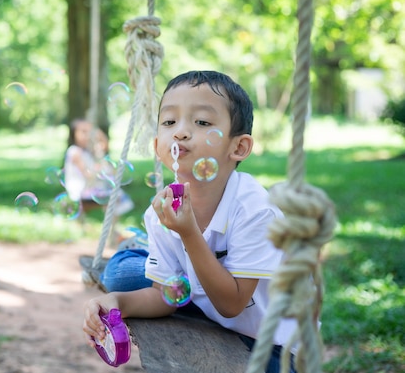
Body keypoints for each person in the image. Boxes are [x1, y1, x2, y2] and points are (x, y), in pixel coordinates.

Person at [82, 70, 297, 373]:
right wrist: (116, 302)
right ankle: (141, 255)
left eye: (202, 122)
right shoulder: (162, 211)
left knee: (125, 272)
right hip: (219, 321)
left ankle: (139, 252)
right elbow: (164, 296)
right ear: (158, 144)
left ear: (239, 147)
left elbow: (233, 304)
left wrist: (188, 233)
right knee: (119, 280)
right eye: (170, 122)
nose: (180, 132)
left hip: (273, 346)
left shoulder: (256, 211)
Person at [63, 118, 134, 217]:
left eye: (89, 132)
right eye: (83, 132)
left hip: (89, 188)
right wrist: (99, 169)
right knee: (115, 197)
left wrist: (97, 132)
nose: (87, 135)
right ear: (73, 134)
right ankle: (111, 229)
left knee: (116, 195)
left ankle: (112, 229)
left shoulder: (87, 151)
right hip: (80, 190)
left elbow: (105, 146)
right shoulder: (75, 152)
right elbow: (87, 174)